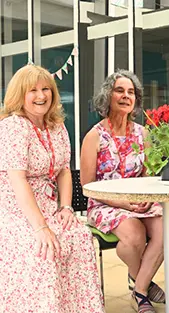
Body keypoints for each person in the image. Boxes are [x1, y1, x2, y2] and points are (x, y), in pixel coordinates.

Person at [0, 65, 105, 313]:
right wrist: (41, 227)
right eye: (33, 90)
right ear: (19, 95)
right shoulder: (12, 127)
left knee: (79, 237)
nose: (41, 95)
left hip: (49, 207)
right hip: (15, 211)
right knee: (44, 249)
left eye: (46, 88)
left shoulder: (57, 127)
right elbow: (18, 181)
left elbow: (64, 171)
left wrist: (66, 207)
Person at [80, 69, 164, 313]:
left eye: (131, 92)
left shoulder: (143, 133)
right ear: (108, 95)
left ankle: (138, 289)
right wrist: (124, 204)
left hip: (139, 201)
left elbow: (148, 176)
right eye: (120, 91)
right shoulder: (94, 136)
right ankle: (144, 289)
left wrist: (145, 199)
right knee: (134, 234)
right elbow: (89, 187)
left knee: (167, 226)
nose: (126, 96)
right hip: (104, 203)